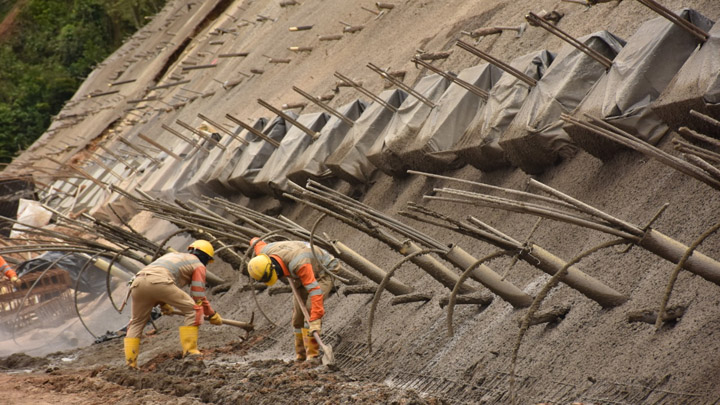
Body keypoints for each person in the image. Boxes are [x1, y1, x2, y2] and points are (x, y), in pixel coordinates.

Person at [123, 240, 222, 368]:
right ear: (206, 257)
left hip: (137, 283)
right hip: (159, 282)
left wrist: (164, 305)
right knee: (194, 310)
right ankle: (190, 352)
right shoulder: (198, 265)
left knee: (137, 322)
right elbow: (198, 295)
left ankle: (130, 364)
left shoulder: (171, 256)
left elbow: (154, 282)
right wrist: (211, 314)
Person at [246, 237, 339, 363]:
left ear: (274, 268)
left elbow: (315, 291)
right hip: (300, 267)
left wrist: (315, 318)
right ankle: (300, 356)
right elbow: (256, 241)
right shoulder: (263, 253)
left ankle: (312, 356)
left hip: (323, 270)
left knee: (310, 310)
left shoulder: (299, 264)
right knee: (297, 317)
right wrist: (252, 241)